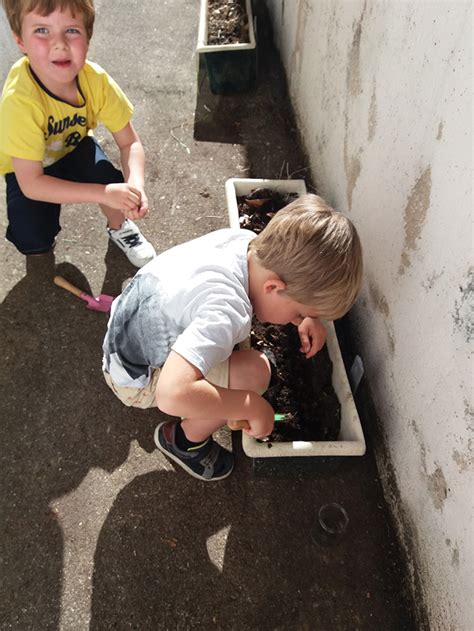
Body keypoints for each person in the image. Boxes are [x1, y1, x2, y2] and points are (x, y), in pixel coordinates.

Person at [102, 194, 363, 481]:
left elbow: (246, 298)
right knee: (254, 374)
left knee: (236, 359)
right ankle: (184, 441)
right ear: (274, 287)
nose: (300, 318)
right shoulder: (226, 311)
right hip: (137, 378)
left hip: (126, 332)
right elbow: (171, 394)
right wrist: (250, 405)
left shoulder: (243, 242)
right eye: (300, 310)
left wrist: (305, 315)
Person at [0, 0, 156, 267]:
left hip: (73, 148)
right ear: (20, 41)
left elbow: (130, 142)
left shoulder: (95, 80)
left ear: (88, 38)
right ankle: (41, 236)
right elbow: (32, 183)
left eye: (71, 30)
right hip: (27, 169)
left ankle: (120, 226)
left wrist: (135, 186)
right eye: (41, 30)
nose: (59, 43)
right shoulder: (19, 102)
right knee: (33, 241)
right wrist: (102, 193)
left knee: (109, 180)